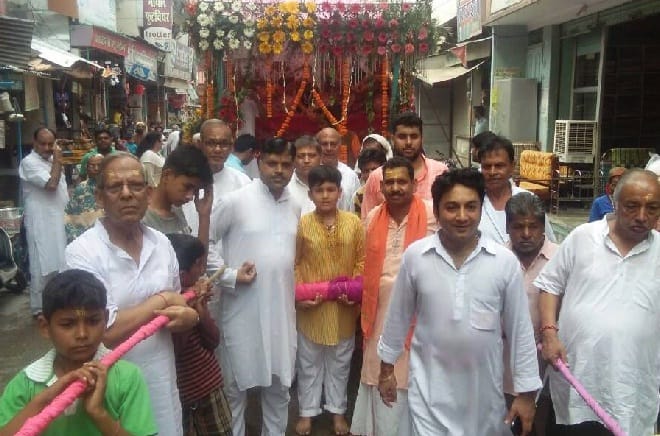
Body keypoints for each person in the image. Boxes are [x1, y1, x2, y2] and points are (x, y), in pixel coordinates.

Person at [377, 168, 541, 436]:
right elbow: (398, 317)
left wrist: (526, 394)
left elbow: (520, 331)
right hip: (427, 399)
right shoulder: (417, 257)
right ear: (437, 210)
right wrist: (386, 369)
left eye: (471, 207)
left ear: (481, 209)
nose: (462, 216)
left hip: (484, 403)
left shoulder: (503, 262)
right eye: (452, 207)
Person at [65, 152, 200, 436]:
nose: (127, 194)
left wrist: (190, 317)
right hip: (111, 393)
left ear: (148, 194)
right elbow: (102, 332)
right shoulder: (82, 253)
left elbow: (178, 311)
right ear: (99, 197)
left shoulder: (161, 244)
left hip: (162, 384)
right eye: (116, 187)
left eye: (136, 185)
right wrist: (162, 300)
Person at [535, 169, 660, 436]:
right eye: (632, 206)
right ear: (614, 203)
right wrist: (549, 333)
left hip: (633, 388)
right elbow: (550, 286)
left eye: (652, 208)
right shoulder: (583, 237)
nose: (642, 216)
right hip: (577, 380)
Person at [210, 138, 300, 436]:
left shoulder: (296, 204)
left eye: (286, 164)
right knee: (235, 389)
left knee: (279, 389)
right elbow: (205, 241)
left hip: (282, 314)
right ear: (259, 163)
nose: (279, 170)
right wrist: (229, 275)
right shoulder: (236, 201)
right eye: (272, 163)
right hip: (242, 310)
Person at [0, 269, 157, 436]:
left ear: (105, 320)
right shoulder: (26, 384)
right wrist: (43, 400)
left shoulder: (126, 378)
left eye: (93, 321)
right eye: (67, 324)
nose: (82, 334)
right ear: (45, 327)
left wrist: (99, 413)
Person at [351, 157, 437, 436]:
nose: (396, 187)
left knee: (416, 384)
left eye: (402, 181)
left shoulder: (432, 214)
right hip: (379, 315)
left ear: (414, 184)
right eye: (390, 182)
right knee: (380, 378)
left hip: (421, 317)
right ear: (381, 187)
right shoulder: (373, 218)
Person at [294, 165, 365, 436]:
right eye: (319, 190)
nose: (325, 195)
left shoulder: (354, 223)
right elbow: (295, 263)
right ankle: (307, 412)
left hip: (343, 308)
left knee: (340, 364)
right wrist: (300, 296)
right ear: (310, 194)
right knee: (308, 364)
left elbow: (361, 261)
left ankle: (337, 412)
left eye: (330, 189)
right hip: (312, 308)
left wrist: (353, 292)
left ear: (340, 192)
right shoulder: (303, 223)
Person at [503, 192, 559, 434]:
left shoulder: (561, 259)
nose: (526, 234)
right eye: (518, 227)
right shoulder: (496, 260)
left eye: (533, 227)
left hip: (549, 369)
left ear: (543, 226)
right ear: (507, 227)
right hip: (504, 370)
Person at [166, 234, 232, 436]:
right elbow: (175, 351)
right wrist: (189, 311)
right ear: (182, 274)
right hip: (182, 396)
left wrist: (200, 311)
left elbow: (213, 340)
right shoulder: (167, 304)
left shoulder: (194, 296)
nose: (203, 271)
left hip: (209, 386)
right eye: (199, 265)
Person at [180, 119, 254, 297]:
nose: (218, 149)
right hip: (188, 279)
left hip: (233, 279)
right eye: (211, 143)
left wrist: (231, 275)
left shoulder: (243, 182)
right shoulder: (185, 182)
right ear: (199, 144)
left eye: (223, 144)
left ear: (231, 146)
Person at [19, 127, 68, 316]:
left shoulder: (52, 161)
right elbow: (51, 185)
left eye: (50, 144)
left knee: (60, 260)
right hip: (41, 221)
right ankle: (39, 308)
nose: (47, 148)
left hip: (58, 218)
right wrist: (57, 160)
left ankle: (57, 302)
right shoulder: (29, 162)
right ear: (34, 143)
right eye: (43, 144)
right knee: (41, 264)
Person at [361, 112, 449, 218]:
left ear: (422, 139)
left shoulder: (440, 172)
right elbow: (368, 221)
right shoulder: (377, 177)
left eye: (414, 136)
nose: (408, 142)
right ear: (392, 139)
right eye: (402, 137)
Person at [477, 135, 555, 244]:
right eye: (487, 166)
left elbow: (549, 243)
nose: (492, 172)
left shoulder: (529, 200)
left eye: (499, 166)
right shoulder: (473, 202)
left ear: (512, 166)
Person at [142, 146, 213, 243]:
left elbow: (198, 253)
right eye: (187, 187)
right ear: (167, 176)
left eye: (195, 191)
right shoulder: (142, 218)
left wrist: (204, 215)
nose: (190, 197)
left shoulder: (177, 211)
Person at [316, 127, 361, 211]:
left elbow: (357, 207)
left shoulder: (350, 176)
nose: (329, 148)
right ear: (317, 147)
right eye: (324, 144)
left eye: (333, 144)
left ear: (340, 146)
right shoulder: (309, 174)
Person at [65, 153, 104, 243]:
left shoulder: (114, 188)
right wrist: (76, 239)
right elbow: (70, 217)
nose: (96, 168)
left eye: (99, 165)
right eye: (92, 166)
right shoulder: (81, 188)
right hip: (86, 240)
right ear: (86, 168)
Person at [287, 135, 322, 214]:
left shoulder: (331, 184)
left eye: (312, 156)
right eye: (301, 156)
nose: (306, 160)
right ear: (293, 159)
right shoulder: (286, 185)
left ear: (320, 157)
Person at [353, 148, 387, 216]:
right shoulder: (358, 196)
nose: (371, 174)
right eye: (366, 171)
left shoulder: (392, 190)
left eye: (374, 169)